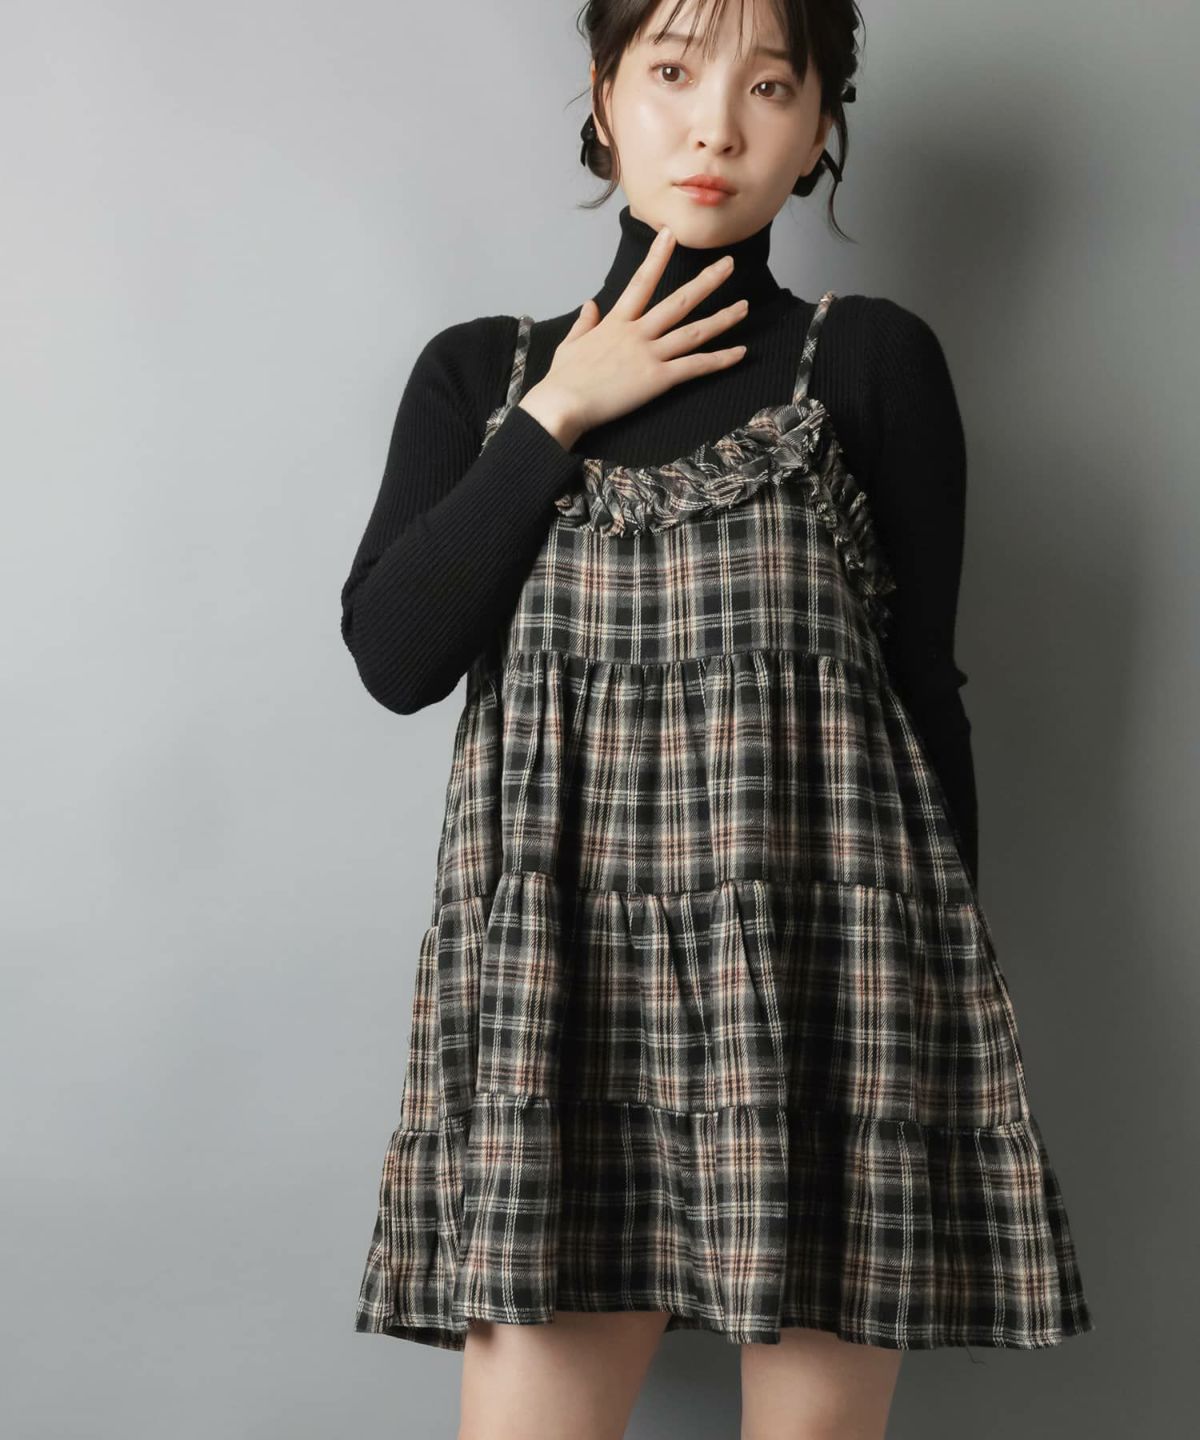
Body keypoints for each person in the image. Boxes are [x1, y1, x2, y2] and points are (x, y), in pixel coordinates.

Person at [341, 3, 1094, 1437]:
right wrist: (557, 414)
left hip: (825, 996)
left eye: (770, 86)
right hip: (559, 1002)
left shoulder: (868, 365)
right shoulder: (481, 375)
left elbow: (924, 696)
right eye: (674, 73)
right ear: (604, 96)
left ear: (818, 131)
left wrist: (940, 1023)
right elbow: (395, 654)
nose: (716, 126)